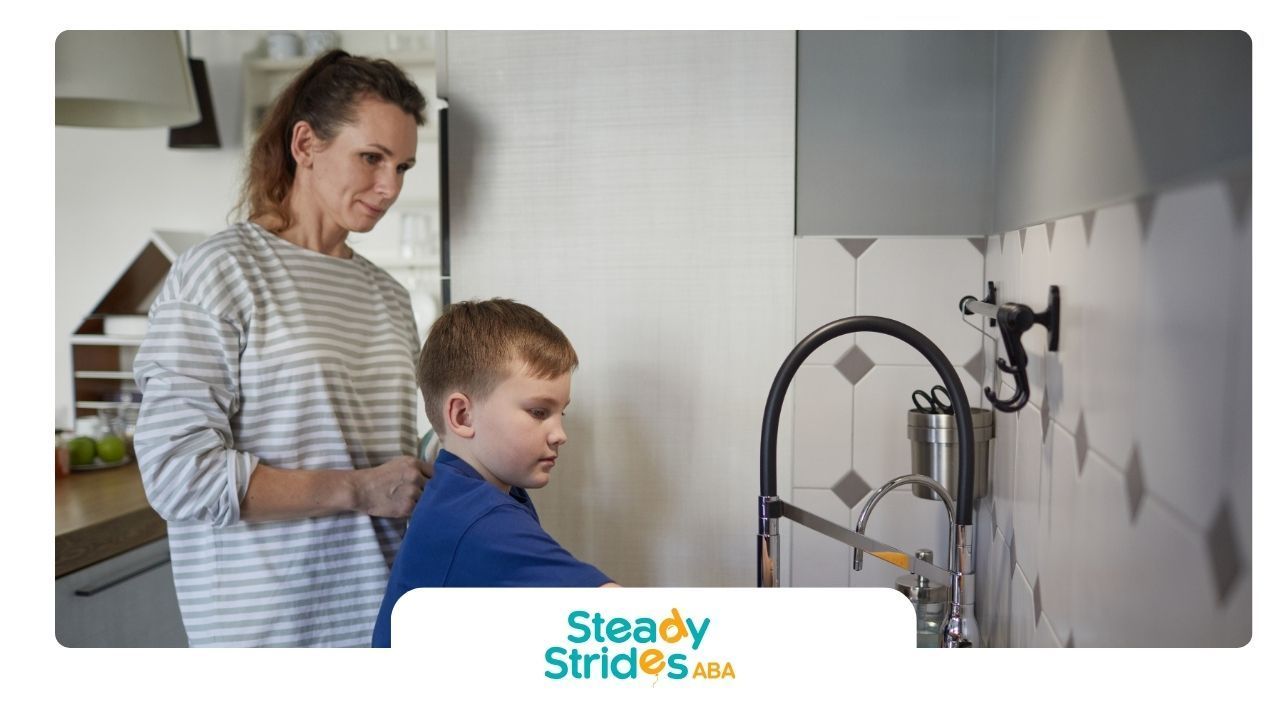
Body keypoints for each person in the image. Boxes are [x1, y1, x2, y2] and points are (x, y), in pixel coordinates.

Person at [132, 50, 433, 647]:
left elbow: (381, 459)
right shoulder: (221, 273)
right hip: (271, 635)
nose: (390, 186)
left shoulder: (390, 296)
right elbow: (177, 474)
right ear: (305, 144)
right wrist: (359, 488)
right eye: (371, 158)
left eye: (404, 167)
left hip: (385, 623)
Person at [372, 299, 618, 648]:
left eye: (560, 413)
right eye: (538, 411)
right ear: (462, 416)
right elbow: (628, 622)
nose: (560, 433)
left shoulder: (469, 492)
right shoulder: (479, 520)